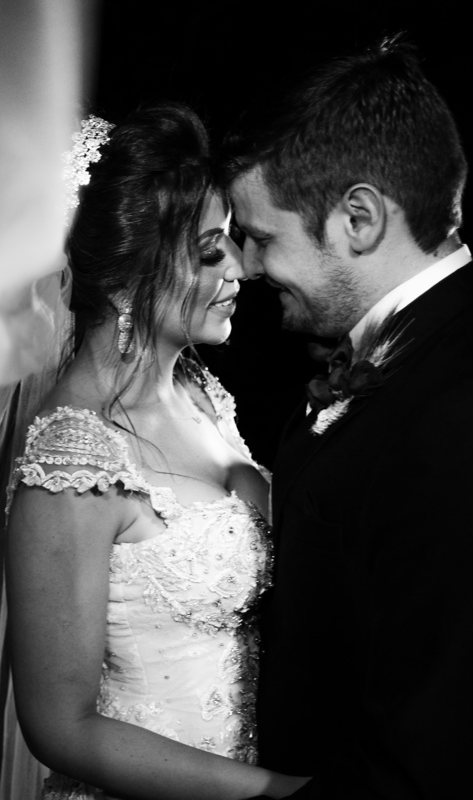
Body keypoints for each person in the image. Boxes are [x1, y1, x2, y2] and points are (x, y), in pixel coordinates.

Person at [6, 102, 310, 799]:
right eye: (209, 251)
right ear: (126, 276)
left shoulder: (201, 393)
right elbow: (60, 726)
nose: (241, 269)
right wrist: (270, 790)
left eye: (233, 242)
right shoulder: (75, 459)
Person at [224, 35, 471, 799]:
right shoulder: (408, 352)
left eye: (263, 238)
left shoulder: (451, 411)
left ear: (358, 219)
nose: (248, 269)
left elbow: (428, 755)